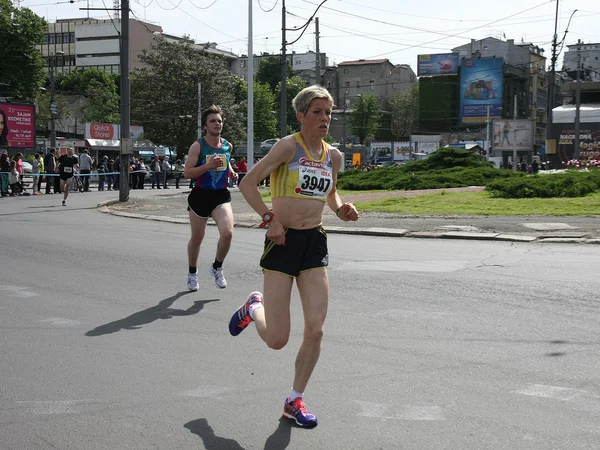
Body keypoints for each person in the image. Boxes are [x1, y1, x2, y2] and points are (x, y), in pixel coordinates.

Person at [228, 85, 359, 428]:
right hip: (282, 241)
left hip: (314, 243)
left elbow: (330, 191)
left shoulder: (334, 156)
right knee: (277, 340)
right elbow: (247, 182)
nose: (324, 118)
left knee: (315, 330)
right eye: (317, 112)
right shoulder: (288, 147)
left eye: (328, 112)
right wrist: (269, 220)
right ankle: (253, 308)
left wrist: (341, 208)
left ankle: (293, 400)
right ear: (301, 116)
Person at [183, 104, 238, 291]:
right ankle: (192, 273)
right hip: (201, 195)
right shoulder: (198, 146)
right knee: (197, 238)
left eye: (220, 121)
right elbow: (187, 173)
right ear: (205, 125)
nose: (217, 124)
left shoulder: (227, 145)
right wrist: (207, 166)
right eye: (213, 121)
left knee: (228, 233)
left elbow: (226, 161)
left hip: (220, 195)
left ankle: (217, 267)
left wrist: (231, 172)